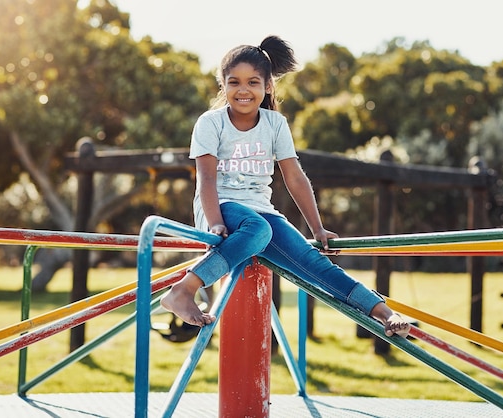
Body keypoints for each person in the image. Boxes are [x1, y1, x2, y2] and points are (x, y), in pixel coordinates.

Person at [160, 35, 410, 339]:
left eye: (253, 82)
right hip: (221, 206)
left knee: (312, 262)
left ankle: (383, 312)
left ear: (267, 86)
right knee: (257, 229)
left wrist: (317, 228)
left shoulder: (274, 124)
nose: (243, 90)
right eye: (234, 82)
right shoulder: (211, 123)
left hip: (261, 212)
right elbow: (207, 179)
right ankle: (184, 290)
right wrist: (213, 223)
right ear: (222, 84)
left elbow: (294, 177)